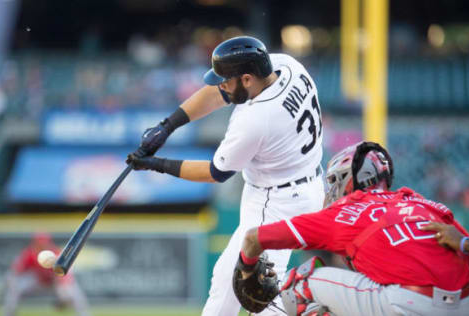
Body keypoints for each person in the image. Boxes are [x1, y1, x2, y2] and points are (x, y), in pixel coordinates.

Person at [127, 36, 325, 315]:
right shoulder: (285, 65)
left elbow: (215, 172)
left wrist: (156, 164)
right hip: (306, 183)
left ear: (246, 79)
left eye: (227, 79)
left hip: (277, 201)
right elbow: (217, 93)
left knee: (259, 290)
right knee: (230, 282)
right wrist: (167, 125)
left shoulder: (256, 119)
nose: (221, 84)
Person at [236, 141, 469, 316]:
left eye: (334, 181)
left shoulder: (345, 211)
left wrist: (246, 269)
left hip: (411, 303)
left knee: (301, 282)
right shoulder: (423, 203)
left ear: (348, 179)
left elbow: (253, 238)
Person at [3, 232, 90, 316]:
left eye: (44, 243)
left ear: (48, 243)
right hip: (37, 280)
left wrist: (63, 294)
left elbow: (66, 275)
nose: (41, 245)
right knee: (14, 289)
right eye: (39, 243)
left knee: (75, 294)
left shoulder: (56, 253)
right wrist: (12, 282)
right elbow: (15, 271)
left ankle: (80, 312)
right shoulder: (29, 253)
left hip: (54, 281)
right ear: (35, 243)